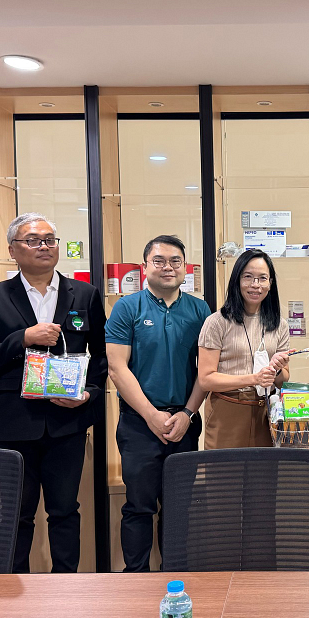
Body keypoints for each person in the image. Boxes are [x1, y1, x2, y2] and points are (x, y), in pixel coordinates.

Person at [0, 213, 107, 573]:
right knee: (16, 513)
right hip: (15, 423)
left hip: (67, 420)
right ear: (12, 250)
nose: (44, 246)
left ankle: (66, 587)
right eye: (33, 240)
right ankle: (14, 586)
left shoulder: (86, 293)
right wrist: (23, 338)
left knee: (65, 511)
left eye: (49, 240)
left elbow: (102, 355)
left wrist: (89, 393)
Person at [106, 235, 210, 572]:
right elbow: (117, 368)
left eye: (175, 261)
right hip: (138, 424)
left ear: (185, 267)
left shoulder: (200, 310)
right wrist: (151, 415)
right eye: (159, 261)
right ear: (145, 266)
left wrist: (188, 413)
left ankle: (175, 575)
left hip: (184, 423)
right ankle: (136, 578)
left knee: (180, 508)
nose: (168, 267)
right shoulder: (127, 307)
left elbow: (206, 371)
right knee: (138, 506)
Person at [198, 249, 290, 448]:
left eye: (262, 278)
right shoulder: (217, 322)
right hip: (227, 410)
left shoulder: (279, 325)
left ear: (270, 283)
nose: (255, 285)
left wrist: (276, 370)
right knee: (225, 468)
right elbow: (206, 379)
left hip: (266, 412)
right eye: (248, 277)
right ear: (237, 281)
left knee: (264, 468)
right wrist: (254, 379)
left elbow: (283, 380)